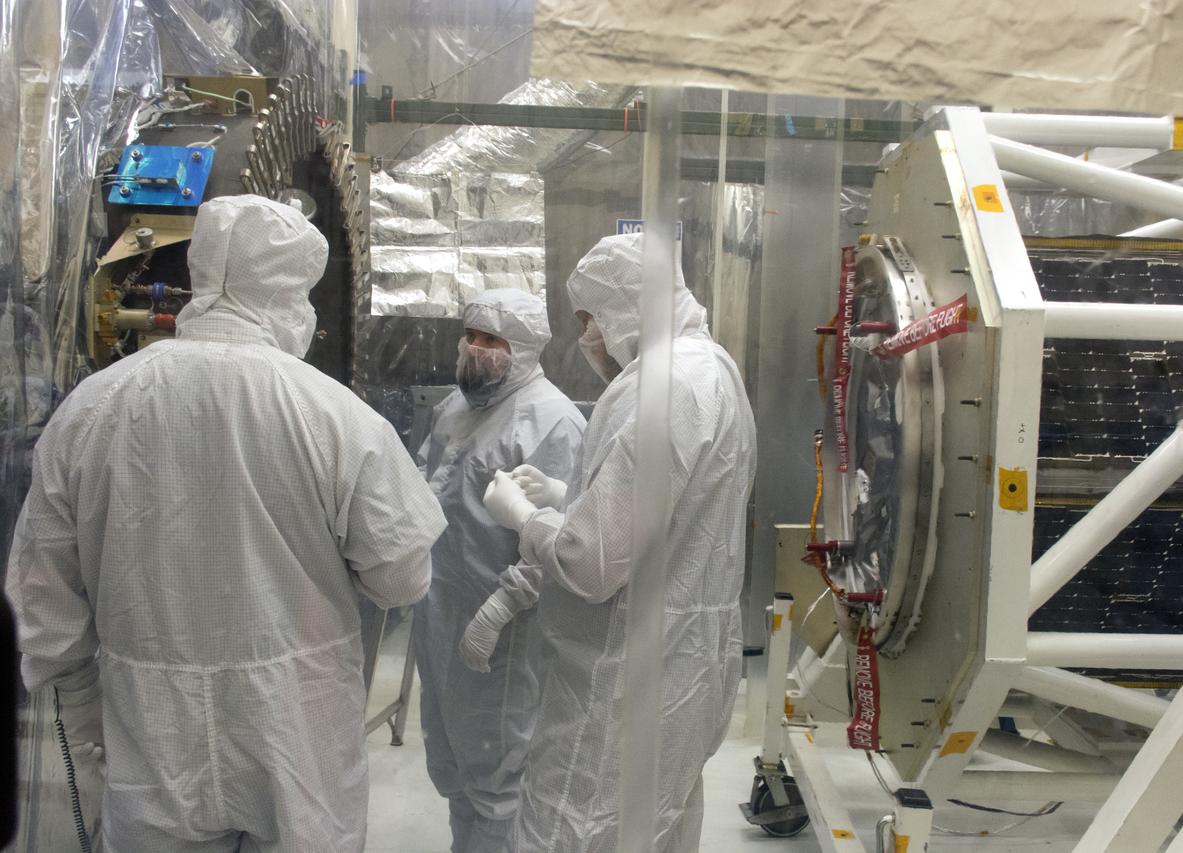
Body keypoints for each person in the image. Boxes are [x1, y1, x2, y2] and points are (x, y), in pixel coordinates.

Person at [4, 194, 447, 853]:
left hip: (150, 731)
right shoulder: (336, 416)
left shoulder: (91, 409)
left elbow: (43, 601)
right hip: (296, 731)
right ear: (290, 294)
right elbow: (402, 578)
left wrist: (83, 709)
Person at [483, 232, 757, 852]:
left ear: (627, 305)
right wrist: (569, 494)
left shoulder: (660, 385)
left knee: (570, 832)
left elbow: (591, 564)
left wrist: (525, 517)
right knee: (656, 827)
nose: (588, 337)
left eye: (590, 318)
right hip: (683, 669)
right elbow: (679, 515)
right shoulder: (713, 368)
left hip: (619, 683)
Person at [414, 289, 585, 852]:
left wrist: (500, 608)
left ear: (525, 347)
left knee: (498, 766)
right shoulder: (454, 408)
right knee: (451, 757)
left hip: (506, 630)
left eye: (492, 340)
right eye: (470, 335)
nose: (474, 348)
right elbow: (424, 485)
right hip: (440, 609)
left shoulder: (553, 421)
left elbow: (564, 536)